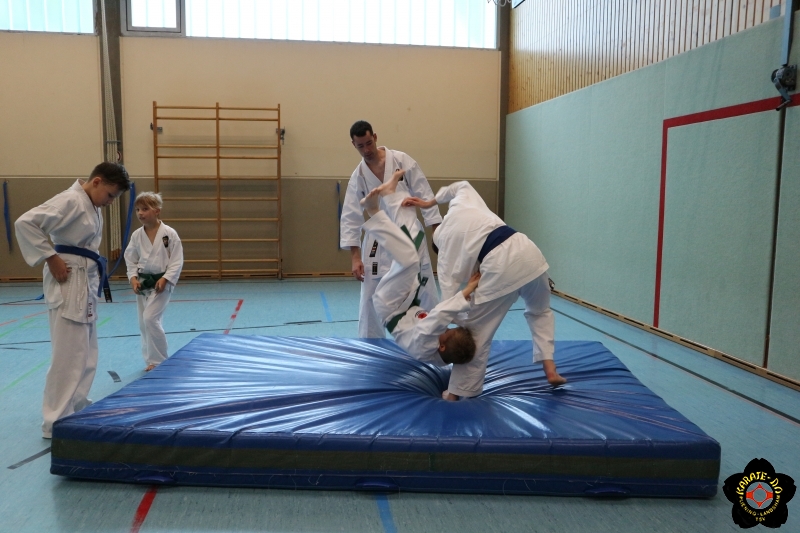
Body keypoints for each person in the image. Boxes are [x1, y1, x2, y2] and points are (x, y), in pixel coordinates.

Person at [404, 181, 566, 401]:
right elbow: (461, 185)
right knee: (540, 311)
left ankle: (454, 394)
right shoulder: (461, 204)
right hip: (530, 253)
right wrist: (430, 202)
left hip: (500, 264)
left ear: (438, 247)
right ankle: (549, 365)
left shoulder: (445, 255)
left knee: (474, 332)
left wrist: (441, 328)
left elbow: (449, 304)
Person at [15, 162, 131, 438]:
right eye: (110, 195)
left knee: (86, 351)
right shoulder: (70, 200)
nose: (110, 202)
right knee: (68, 354)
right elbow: (25, 222)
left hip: (84, 280)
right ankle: (55, 420)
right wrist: (50, 256)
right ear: (97, 181)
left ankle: (76, 405)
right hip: (68, 277)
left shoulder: (89, 203)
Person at [361, 169, 479, 368]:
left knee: (409, 260)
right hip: (408, 301)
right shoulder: (445, 350)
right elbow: (450, 319)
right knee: (414, 243)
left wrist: (468, 290)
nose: (446, 328)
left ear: (441, 346)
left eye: (446, 332)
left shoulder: (424, 344)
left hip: (390, 305)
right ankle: (390, 196)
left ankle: (374, 212)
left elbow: (441, 313)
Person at [340, 120, 442, 338]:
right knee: (371, 296)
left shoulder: (401, 160)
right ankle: (372, 345)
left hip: (409, 233)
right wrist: (355, 257)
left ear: (375, 137)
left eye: (369, 143)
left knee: (424, 288)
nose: (366, 150)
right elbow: (350, 217)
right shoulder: (358, 176)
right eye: (360, 146)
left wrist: (436, 231)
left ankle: (433, 338)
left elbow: (425, 193)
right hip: (378, 240)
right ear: (353, 145)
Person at [124, 192, 184, 372]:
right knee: (144, 323)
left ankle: (160, 360)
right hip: (143, 283)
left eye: (145, 209)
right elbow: (130, 259)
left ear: (157, 211)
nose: (140, 213)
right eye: (137, 210)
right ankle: (150, 359)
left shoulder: (169, 234)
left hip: (161, 283)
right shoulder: (137, 235)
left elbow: (177, 260)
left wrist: (166, 279)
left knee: (150, 318)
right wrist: (133, 278)